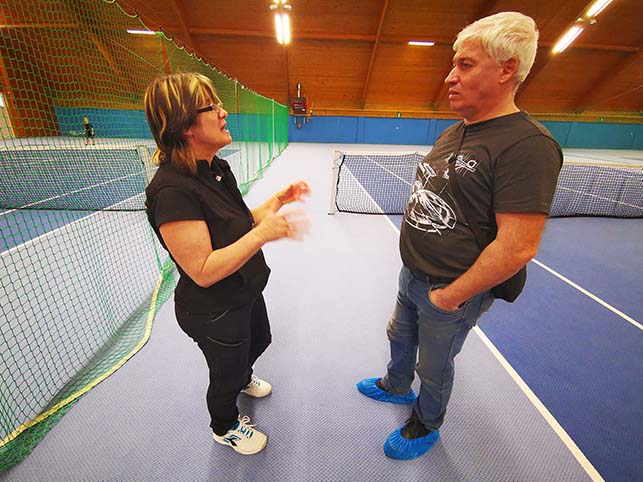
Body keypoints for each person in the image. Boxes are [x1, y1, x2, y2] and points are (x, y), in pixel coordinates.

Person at [356, 12, 563, 460]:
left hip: (451, 290)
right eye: (454, 64)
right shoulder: (457, 130)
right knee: (398, 335)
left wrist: (450, 297)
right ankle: (396, 384)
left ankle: (426, 422)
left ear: (507, 69)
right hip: (413, 274)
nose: (450, 77)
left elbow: (518, 245)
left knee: (433, 365)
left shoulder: (528, 146)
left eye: (465, 65)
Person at [144, 72, 310, 455]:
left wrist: (277, 201)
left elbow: (239, 222)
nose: (223, 113)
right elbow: (202, 270)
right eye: (212, 107)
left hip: (243, 292)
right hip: (213, 310)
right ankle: (225, 425)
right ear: (185, 125)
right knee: (225, 375)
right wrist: (263, 235)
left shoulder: (214, 167)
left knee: (260, 340)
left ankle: (242, 376)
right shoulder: (171, 192)